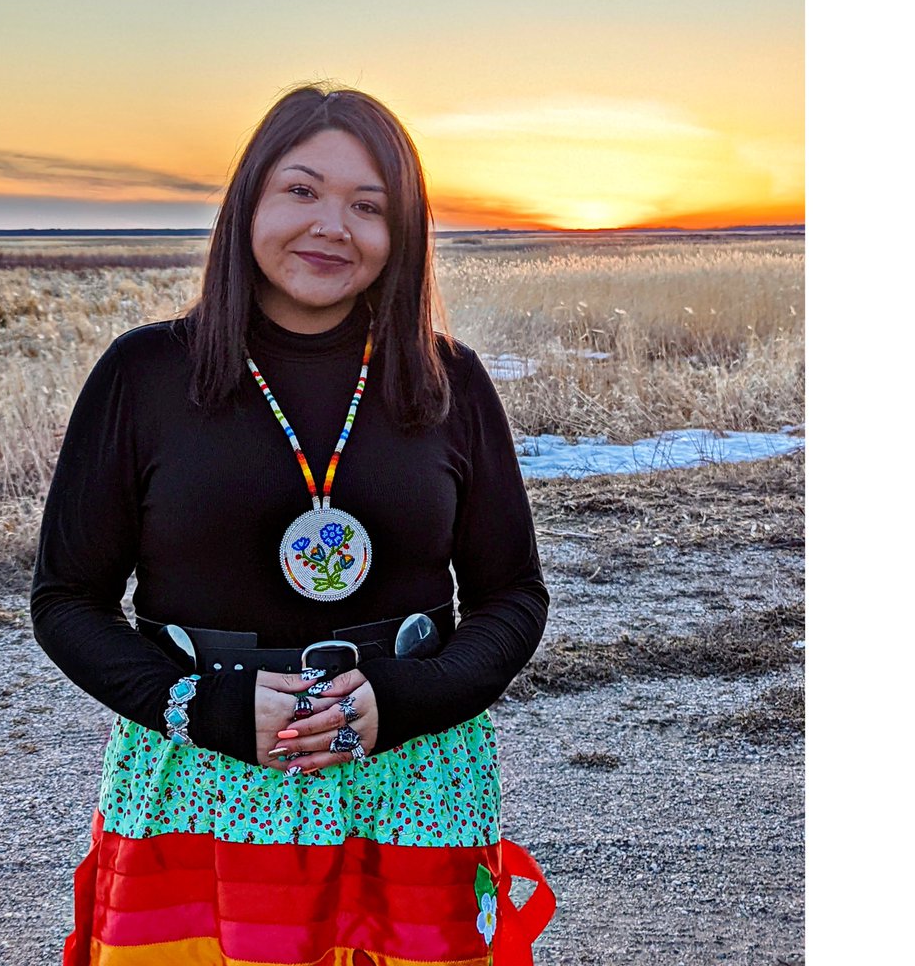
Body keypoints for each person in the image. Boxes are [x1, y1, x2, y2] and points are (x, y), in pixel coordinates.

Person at [31, 84, 556, 966]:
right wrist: (203, 707)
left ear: (404, 235)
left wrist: (408, 700)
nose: (333, 227)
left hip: (414, 784)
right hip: (198, 779)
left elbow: (512, 596)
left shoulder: (448, 380)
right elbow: (66, 601)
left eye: (368, 206)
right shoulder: (145, 374)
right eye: (302, 191)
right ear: (249, 204)